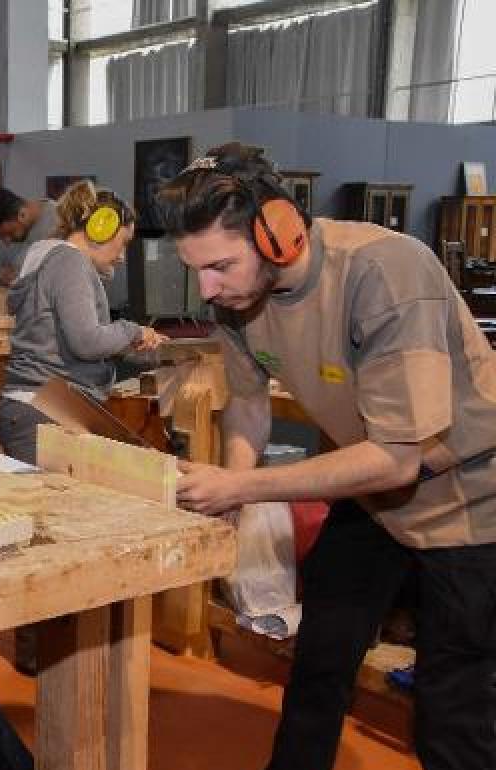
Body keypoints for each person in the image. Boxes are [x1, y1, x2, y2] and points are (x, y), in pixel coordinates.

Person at [157, 141, 496, 770]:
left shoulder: (383, 271)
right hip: (374, 497)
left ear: (278, 231)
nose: (206, 288)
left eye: (221, 266)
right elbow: (251, 405)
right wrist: (232, 478)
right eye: (194, 269)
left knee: (452, 706)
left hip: (472, 498)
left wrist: (244, 491)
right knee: (318, 663)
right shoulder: (236, 301)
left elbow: (398, 457)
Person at [0, 181, 164, 465]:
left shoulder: (48, 257)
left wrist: (123, 345)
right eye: (123, 242)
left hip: (38, 409)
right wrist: (132, 329)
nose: (122, 256)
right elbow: (86, 342)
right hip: (46, 411)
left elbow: (64, 339)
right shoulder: (69, 262)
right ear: (101, 228)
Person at [0, 187, 59, 287]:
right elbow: (6, 272)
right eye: (0, 237)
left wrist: (22, 279)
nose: (6, 242)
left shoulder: (60, 221)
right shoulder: (4, 229)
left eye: (9, 234)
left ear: (22, 215)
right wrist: (3, 278)